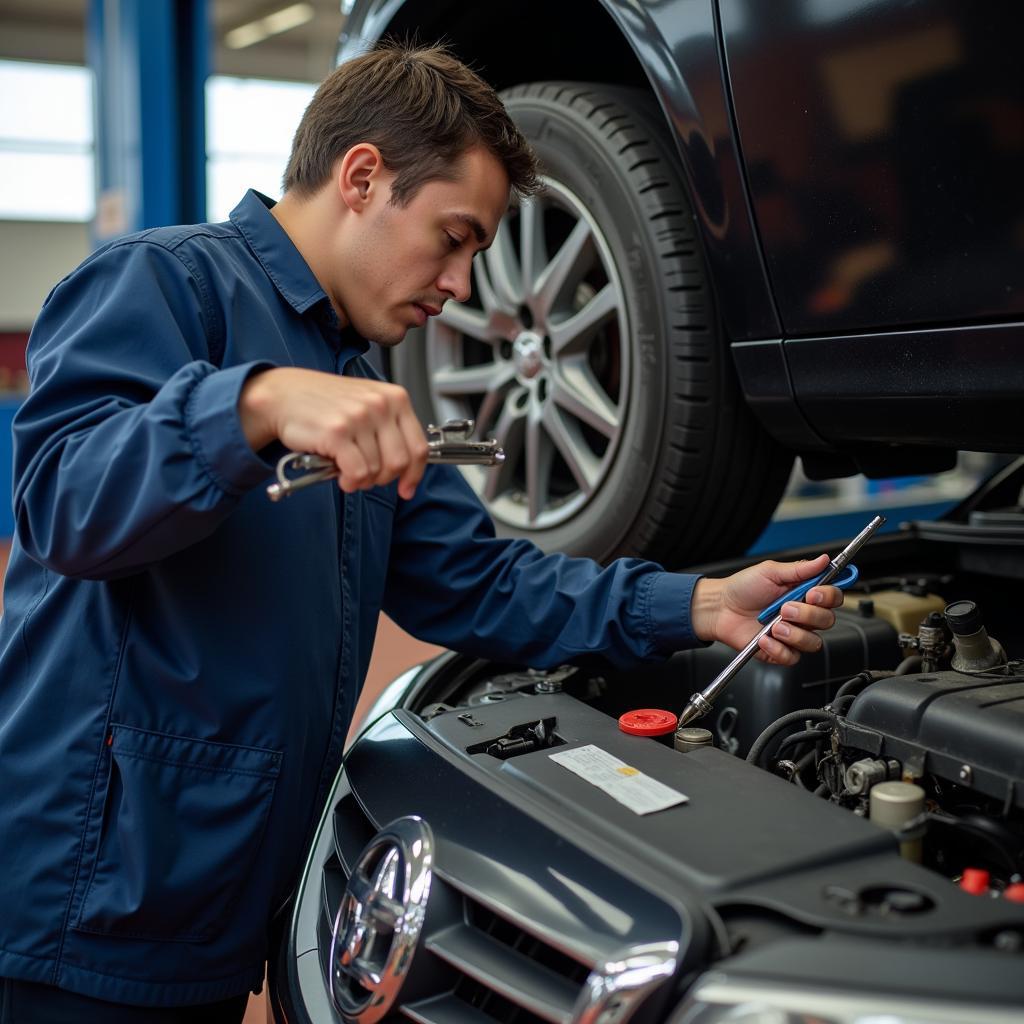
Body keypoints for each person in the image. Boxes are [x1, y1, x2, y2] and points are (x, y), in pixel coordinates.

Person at [0, 43, 843, 1022]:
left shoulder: (364, 387)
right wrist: (252, 405)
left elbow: (482, 584)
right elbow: (62, 504)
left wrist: (695, 603)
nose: (459, 283)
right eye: (451, 237)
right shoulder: (162, 283)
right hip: (79, 912)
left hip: (209, 905)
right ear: (361, 178)